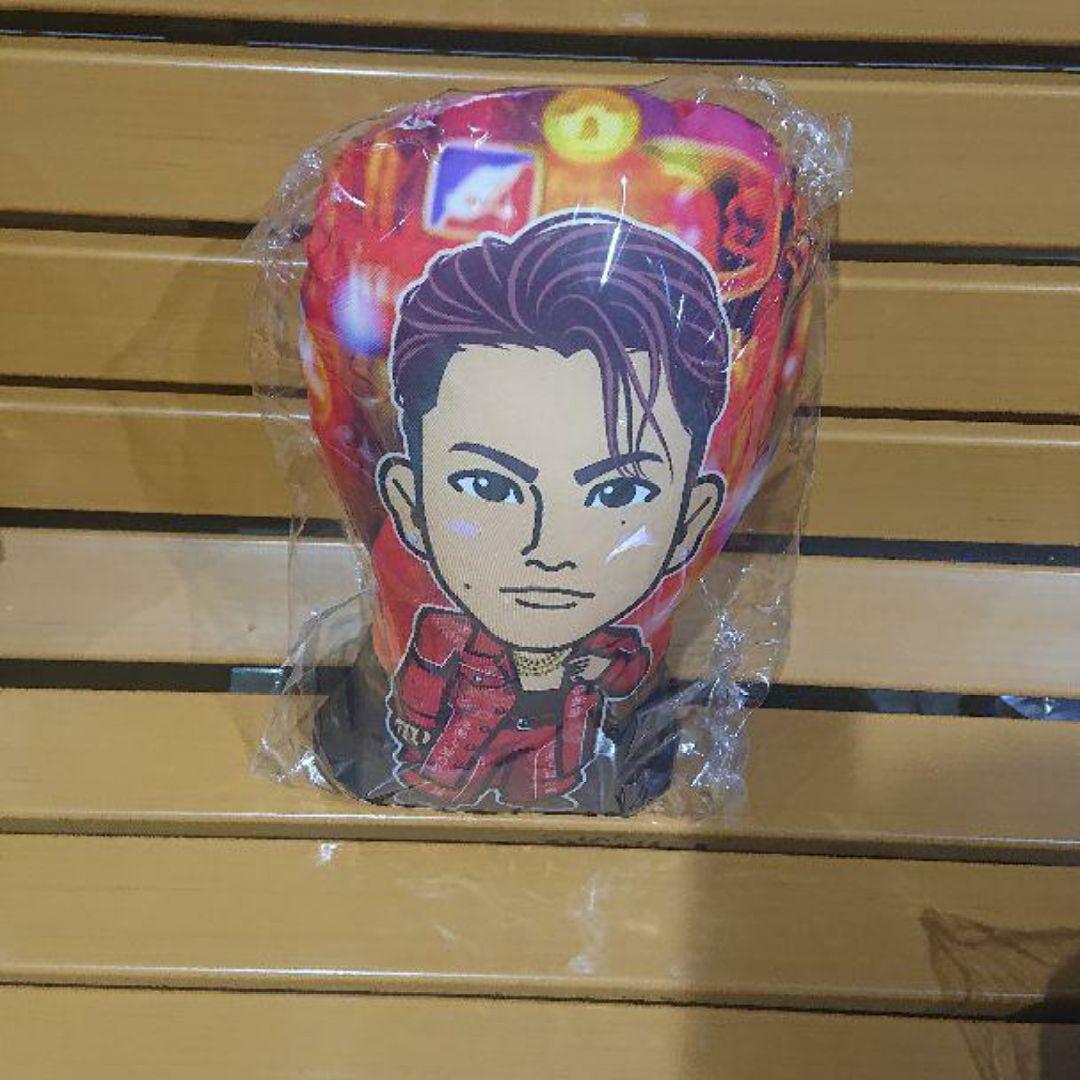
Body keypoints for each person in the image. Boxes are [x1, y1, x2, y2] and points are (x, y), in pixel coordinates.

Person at [376, 209, 732, 809]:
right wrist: (412, 718)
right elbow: (426, 675)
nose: (548, 551)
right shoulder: (446, 632)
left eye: (617, 494)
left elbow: (627, 671)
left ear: (689, 522)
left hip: (564, 759)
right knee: (441, 788)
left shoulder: (610, 649)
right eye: (489, 487)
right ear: (410, 506)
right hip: (454, 754)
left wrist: (603, 679)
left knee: (549, 796)